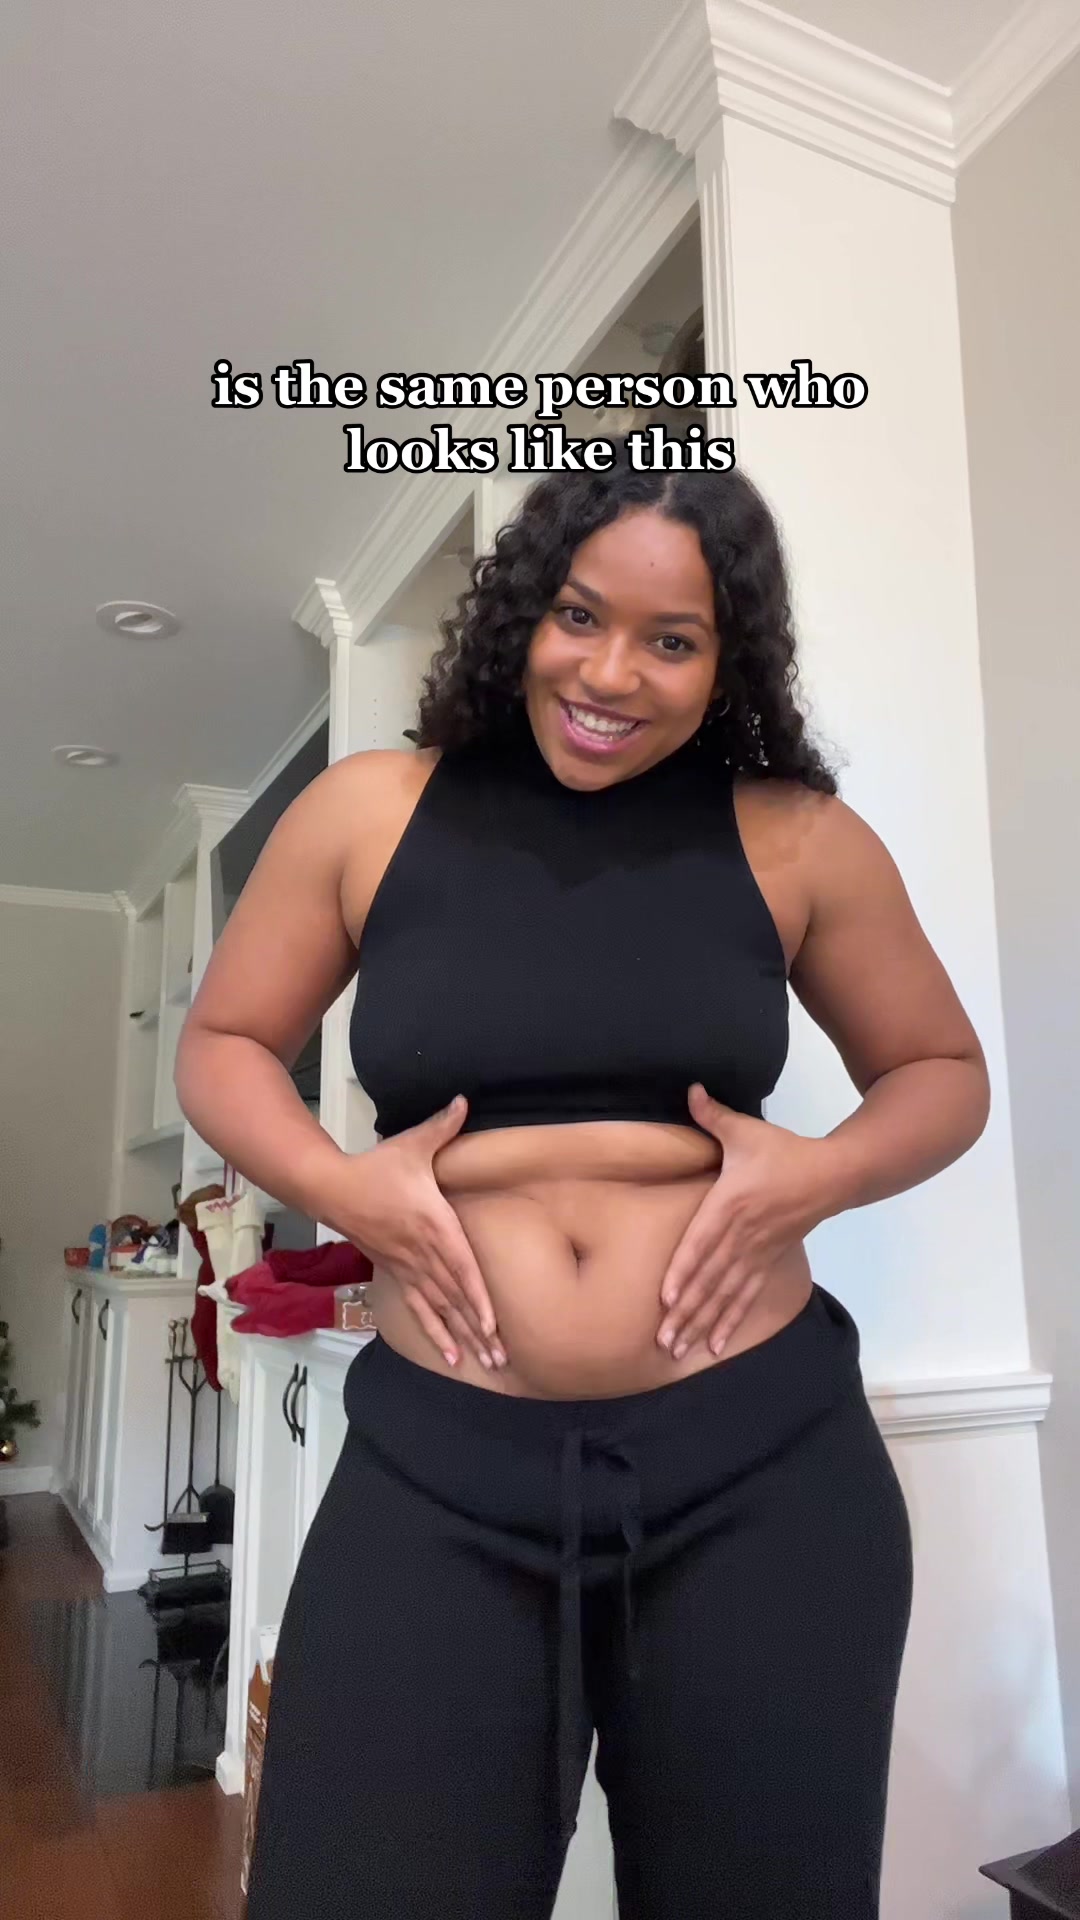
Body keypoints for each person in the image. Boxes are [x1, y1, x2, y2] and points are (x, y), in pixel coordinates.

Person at [175, 441, 990, 1919]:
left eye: (672, 640)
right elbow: (226, 1043)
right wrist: (340, 1189)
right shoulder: (371, 809)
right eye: (578, 615)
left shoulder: (798, 837)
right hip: (440, 1466)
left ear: (727, 661)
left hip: (762, 1471)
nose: (611, 674)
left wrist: (817, 1177)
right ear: (522, 614)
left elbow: (941, 1073)